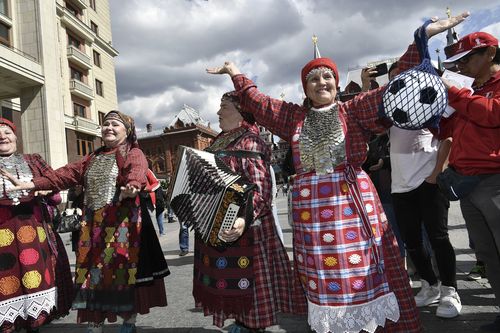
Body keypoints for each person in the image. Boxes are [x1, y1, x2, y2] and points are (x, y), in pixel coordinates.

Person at [207, 13, 468, 333]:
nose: (321, 83)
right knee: (324, 277)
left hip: (353, 211)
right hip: (312, 222)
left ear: (336, 82)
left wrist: (422, 36)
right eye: (313, 79)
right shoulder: (292, 118)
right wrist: (235, 71)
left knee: (364, 271)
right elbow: (257, 102)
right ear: (305, 87)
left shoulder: (353, 109)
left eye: (327, 77)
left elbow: (398, 83)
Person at [2, 111, 170, 333]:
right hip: (92, 227)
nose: (109, 127)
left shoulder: (133, 152)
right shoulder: (91, 158)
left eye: (115, 124)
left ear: (127, 131)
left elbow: (137, 169)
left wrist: (132, 185)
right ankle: (95, 321)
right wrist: (31, 184)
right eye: (106, 124)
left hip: (122, 227)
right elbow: (61, 176)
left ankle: (129, 320)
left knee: (122, 274)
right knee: (93, 275)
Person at [191, 92, 307, 332]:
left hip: (246, 225)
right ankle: (243, 321)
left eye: (223, 106)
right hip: (221, 222)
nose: (218, 112)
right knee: (233, 280)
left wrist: (244, 217)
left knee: (250, 280)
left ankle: (254, 326)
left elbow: (260, 188)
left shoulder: (249, 141)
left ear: (241, 111)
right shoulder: (221, 140)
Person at [439, 30, 500, 332]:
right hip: (469, 184)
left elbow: (492, 115)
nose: (460, 66)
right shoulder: (468, 90)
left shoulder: (488, 89)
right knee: (488, 254)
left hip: (494, 181)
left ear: (490, 54)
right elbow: (446, 131)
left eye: (467, 58)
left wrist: (457, 94)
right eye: (458, 61)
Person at [0, 118, 72, 333]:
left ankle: (34, 326)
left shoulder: (33, 160)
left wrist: (47, 191)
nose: (2, 136)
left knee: (34, 280)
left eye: (7, 132)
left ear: (16, 137)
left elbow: (55, 187)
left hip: (33, 234)